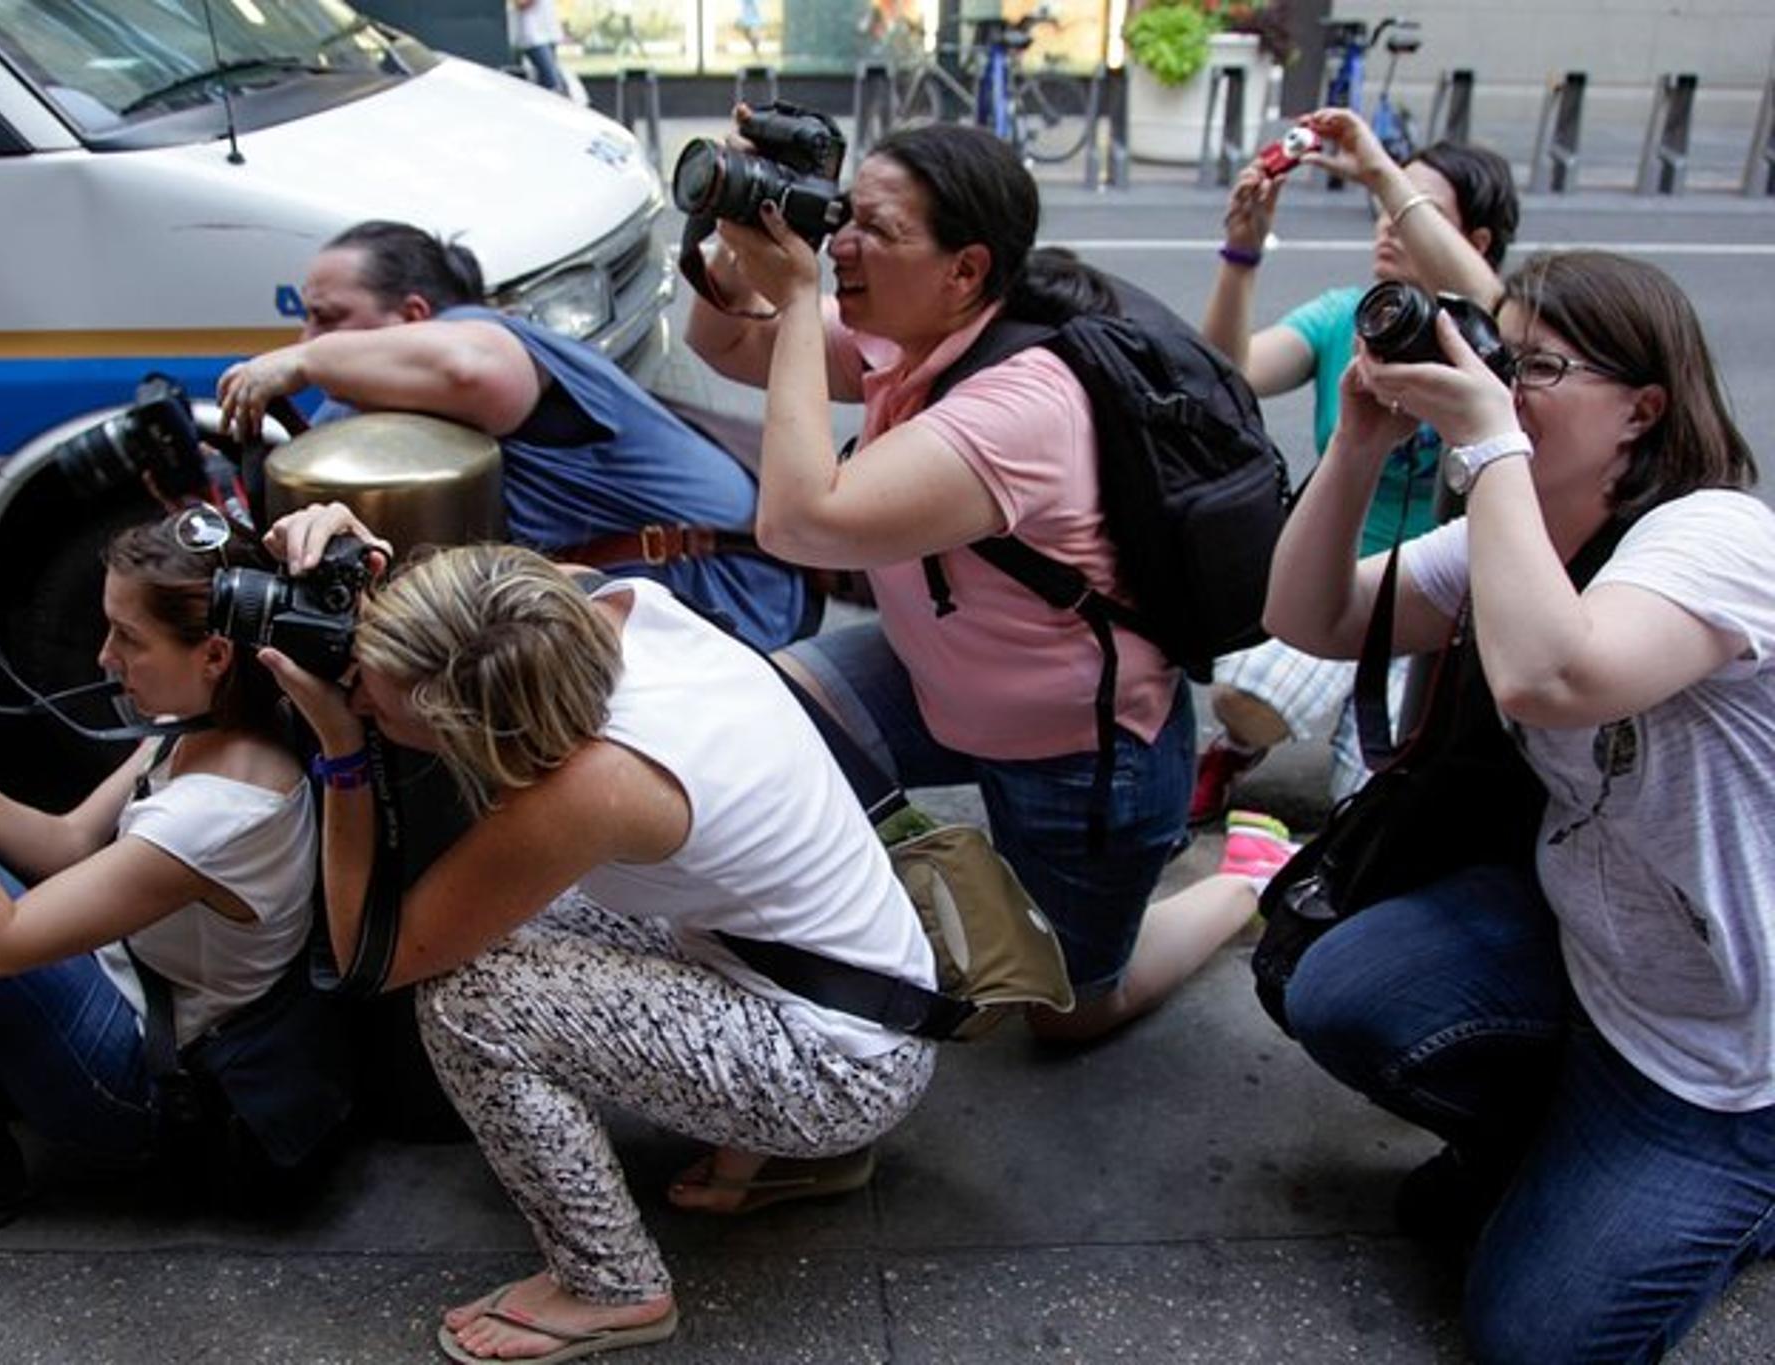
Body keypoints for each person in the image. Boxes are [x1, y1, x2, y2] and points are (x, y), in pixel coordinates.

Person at [259, 505, 937, 1363]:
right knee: (500, 919)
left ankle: (611, 1287)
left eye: (377, 700)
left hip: (839, 1066)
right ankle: (774, 1153)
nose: (353, 689)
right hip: (864, 988)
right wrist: (367, 570)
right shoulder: (593, 608)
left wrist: (342, 749)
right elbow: (476, 601)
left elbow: (371, 957)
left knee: (470, 997)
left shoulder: (598, 785)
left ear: (473, 730)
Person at [1267, 249, 1772, 1362]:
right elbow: (1309, 617)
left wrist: (1489, 439)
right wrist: (1356, 445)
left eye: (1533, 365)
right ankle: (1560, 1145)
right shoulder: (1516, 529)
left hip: (1728, 1059)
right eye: (1498, 352)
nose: (1498, 381)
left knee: (1531, 1337)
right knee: (1342, 989)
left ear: (1641, 409)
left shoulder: (1714, 538)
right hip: (1590, 958)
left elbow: (1553, 677)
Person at [685, 121, 1262, 1044]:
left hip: (1077, 753)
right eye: (842, 215)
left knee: (1070, 1014)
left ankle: (1245, 881)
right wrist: (734, 225)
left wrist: (795, 299)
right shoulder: (902, 332)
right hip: (931, 677)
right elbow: (721, 343)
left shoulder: (1023, 405)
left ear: (966, 271)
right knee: (767, 718)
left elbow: (800, 520)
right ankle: (878, 920)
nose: (841, 245)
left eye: (877, 228)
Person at [0, 509, 324, 1253]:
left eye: (129, 637)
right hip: (123, 983)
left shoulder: (220, 812)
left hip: (141, 1085)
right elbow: (67, 843)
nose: (105, 654)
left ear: (215, 653)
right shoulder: (207, 722)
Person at [217, 220, 812, 652]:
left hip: (727, 602)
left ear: (416, 317)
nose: (308, 340)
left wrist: (308, 363)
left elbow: (475, 371)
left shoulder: (478, 337)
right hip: (639, 610)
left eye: (328, 318)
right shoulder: (378, 391)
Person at [1191, 108, 1520, 821]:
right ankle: (1241, 743)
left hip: (1442, 608)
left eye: (1409, 208)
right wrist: (1241, 253)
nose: (1387, 224)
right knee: (1248, 691)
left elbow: (1498, 304)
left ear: (1477, 241)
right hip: (1340, 588)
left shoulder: (1505, 346)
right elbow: (1228, 374)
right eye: (1383, 206)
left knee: (1368, 808)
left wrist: (1376, 163)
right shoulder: (1354, 316)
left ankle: (1348, 727)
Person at [508, 0, 568, 95]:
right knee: (553, 83)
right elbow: (520, 4)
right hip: (533, 36)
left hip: (549, 33)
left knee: (545, 83)